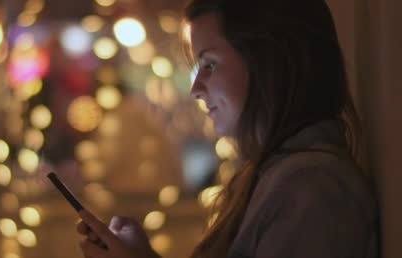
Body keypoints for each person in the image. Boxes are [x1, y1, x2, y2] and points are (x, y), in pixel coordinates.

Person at [76, 0, 380, 257]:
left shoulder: (312, 189)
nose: (196, 89)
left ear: (267, 61)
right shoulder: (271, 177)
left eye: (210, 65)